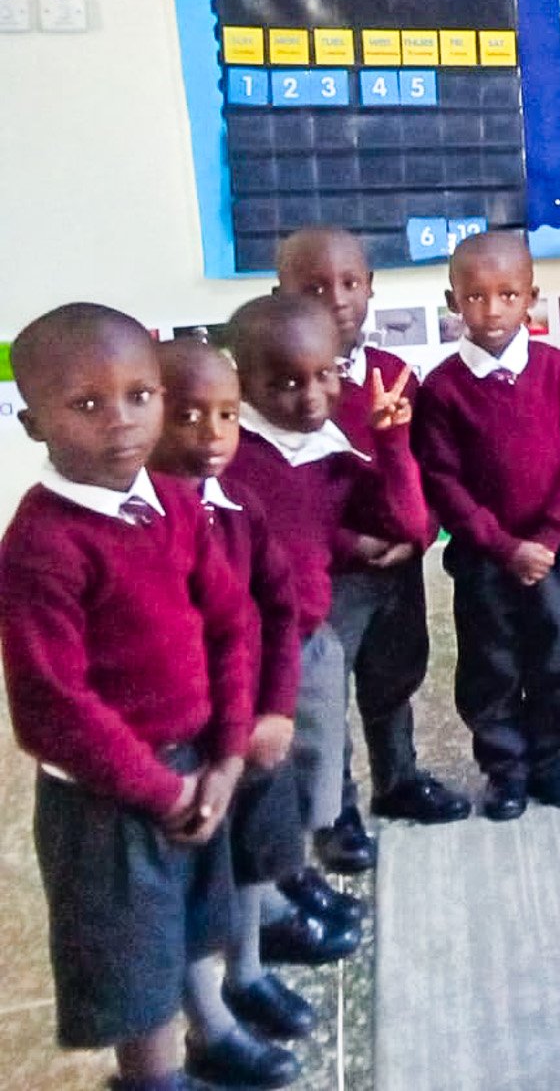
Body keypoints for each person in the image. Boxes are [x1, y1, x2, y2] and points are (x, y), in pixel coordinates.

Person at [0, 305, 251, 1091]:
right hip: (109, 800)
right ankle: (153, 1079)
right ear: (33, 423)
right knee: (135, 962)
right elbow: (52, 706)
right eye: (86, 404)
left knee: (193, 926)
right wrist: (161, 790)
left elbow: (230, 623)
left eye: (140, 396)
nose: (121, 422)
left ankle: (212, 1032)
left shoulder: (174, 503)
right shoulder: (41, 547)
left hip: (196, 765)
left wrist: (228, 756)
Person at [227, 293, 425, 965]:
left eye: (326, 375)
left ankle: (294, 876)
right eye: (285, 383)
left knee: (307, 767)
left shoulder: (330, 447)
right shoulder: (231, 458)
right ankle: (268, 906)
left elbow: (407, 524)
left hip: (306, 638)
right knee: (262, 785)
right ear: (243, 383)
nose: (312, 397)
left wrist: (391, 443)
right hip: (248, 652)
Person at [274, 227, 469, 864]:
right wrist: (348, 540)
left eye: (350, 283)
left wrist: (420, 533)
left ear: (371, 288)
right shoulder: (281, 391)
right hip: (328, 574)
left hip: (398, 565)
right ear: (282, 295)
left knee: (394, 676)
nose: (336, 299)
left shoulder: (395, 375)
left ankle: (398, 780)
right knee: (324, 697)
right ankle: (336, 812)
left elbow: (430, 468)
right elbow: (282, 495)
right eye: (313, 287)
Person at [152, 341, 305, 1091]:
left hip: (251, 722)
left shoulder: (240, 506)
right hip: (187, 742)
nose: (212, 435)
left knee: (252, 853)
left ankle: (247, 974)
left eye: (226, 415)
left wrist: (275, 708)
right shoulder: (145, 524)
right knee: (189, 884)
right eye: (186, 416)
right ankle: (208, 1023)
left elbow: (275, 609)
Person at [413, 233, 560, 822]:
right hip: (484, 559)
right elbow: (442, 478)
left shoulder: (559, 371)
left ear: (531, 298)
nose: (492, 310)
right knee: (490, 664)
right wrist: (500, 544)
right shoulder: (442, 388)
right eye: (475, 297)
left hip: (556, 553)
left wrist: (549, 537)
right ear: (453, 302)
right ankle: (505, 767)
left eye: (508, 295)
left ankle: (552, 759)